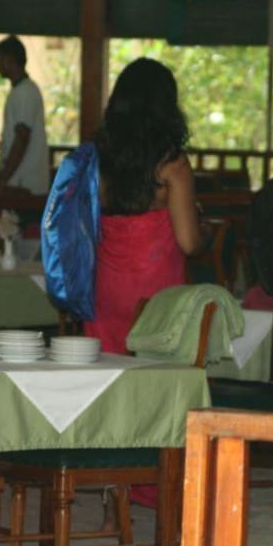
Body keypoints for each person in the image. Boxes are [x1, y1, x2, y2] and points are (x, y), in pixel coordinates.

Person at [88, 57, 211, 354]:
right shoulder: (171, 164)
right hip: (157, 295)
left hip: (103, 290)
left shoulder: (99, 159)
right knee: (156, 380)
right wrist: (206, 231)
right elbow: (189, 242)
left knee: (107, 378)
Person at [0, 35, 49, 198]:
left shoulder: (25, 92)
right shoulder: (22, 91)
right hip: (21, 182)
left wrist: (2, 178)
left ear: (9, 60)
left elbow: (22, 138)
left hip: (24, 185)